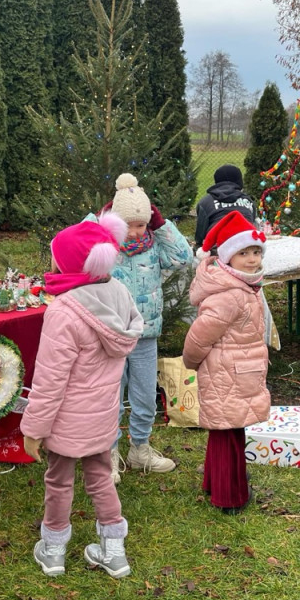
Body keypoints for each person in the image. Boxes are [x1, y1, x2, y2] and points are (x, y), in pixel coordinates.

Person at [20, 213, 143, 579]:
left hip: (66, 422)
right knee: (101, 477)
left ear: (72, 263)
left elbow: (49, 380)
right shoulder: (119, 293)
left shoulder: (63, 312)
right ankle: (114, 552)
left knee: (59, 481)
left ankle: (54, 550)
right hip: (103, 416)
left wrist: (33, 428)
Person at [103, 173, 193, 483]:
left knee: (143, 396)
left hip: (145, 336)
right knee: (110, 397)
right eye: (126, 224)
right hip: (111, 335)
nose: (133, 231)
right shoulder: (106, 247)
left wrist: (160, 223)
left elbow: (184, 257)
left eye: (140, 224)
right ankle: (109, 454)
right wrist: (100, 219)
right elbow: (74, 245)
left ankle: (139, 450)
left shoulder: (155, 246)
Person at [183, 210, 270, 514]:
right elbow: (199, 336)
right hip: (228, 373)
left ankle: (215, 482)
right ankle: (229, 496)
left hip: (238, 370)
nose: (251, 259)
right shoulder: (230, 294)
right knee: (228, 434)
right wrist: (191, 362)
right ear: (227, 256)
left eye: (256, 252)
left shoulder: (243, 284)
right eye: (243, 252)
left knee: (227, 430)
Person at [194, 164, 257, 246]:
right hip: (246, 243)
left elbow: (200, 233)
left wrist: (198, 245)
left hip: (219, 244)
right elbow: (252, 221)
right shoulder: (248, 200)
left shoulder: (205, 201)